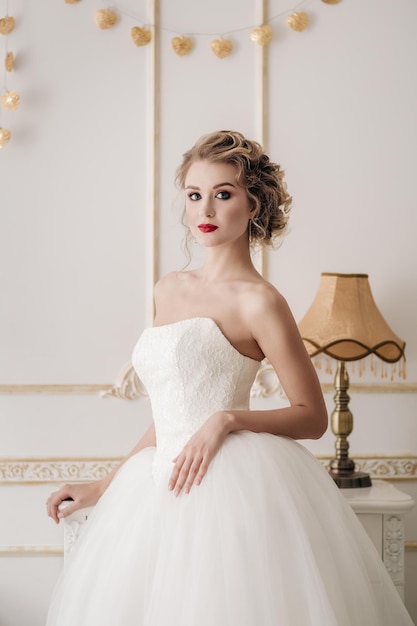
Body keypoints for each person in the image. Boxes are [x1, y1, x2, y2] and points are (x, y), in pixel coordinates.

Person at [46, 131, 413, 625]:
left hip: (229, 492)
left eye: (224, 194)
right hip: (155, 487)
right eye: (196, 195)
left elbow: (312, 417)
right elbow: (171, 412)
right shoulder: (167, 289)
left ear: (253, 204)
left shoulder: (261, 301)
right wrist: (104, 486)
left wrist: (227, 421)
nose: (207, 210)